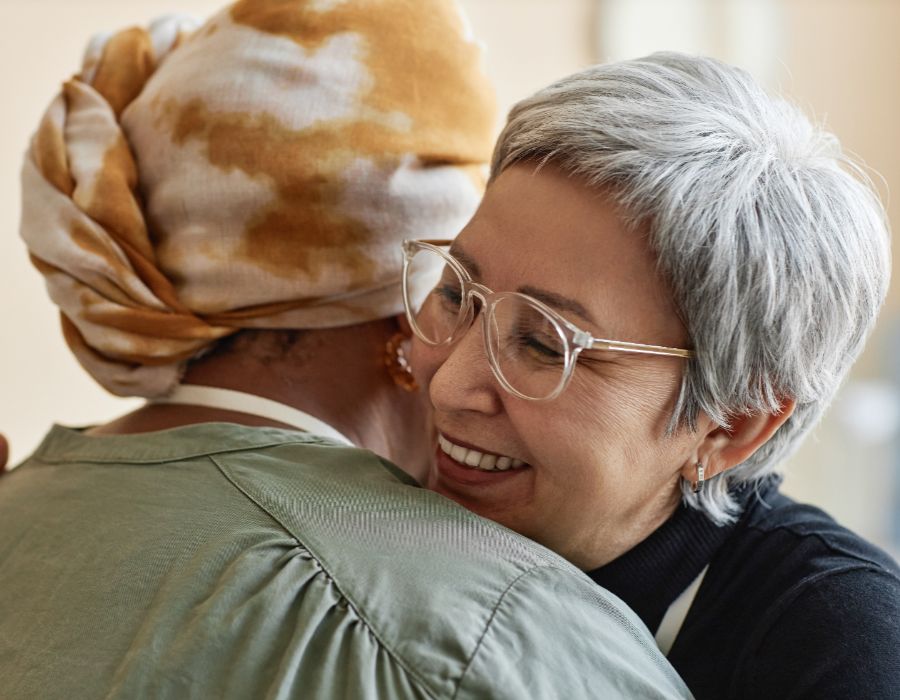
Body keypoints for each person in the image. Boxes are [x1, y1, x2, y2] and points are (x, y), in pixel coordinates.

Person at [0, 4, 691, 699]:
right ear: (404, 304)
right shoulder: (499, 629)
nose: (460, 379)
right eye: (456, 294)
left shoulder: (19, 507)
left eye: (536, 340)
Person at [404, 52, 900, 698]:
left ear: (730, 426)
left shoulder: (840, 647)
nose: (447, 386)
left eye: (544, 344)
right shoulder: (372, 490)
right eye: (454, 293)